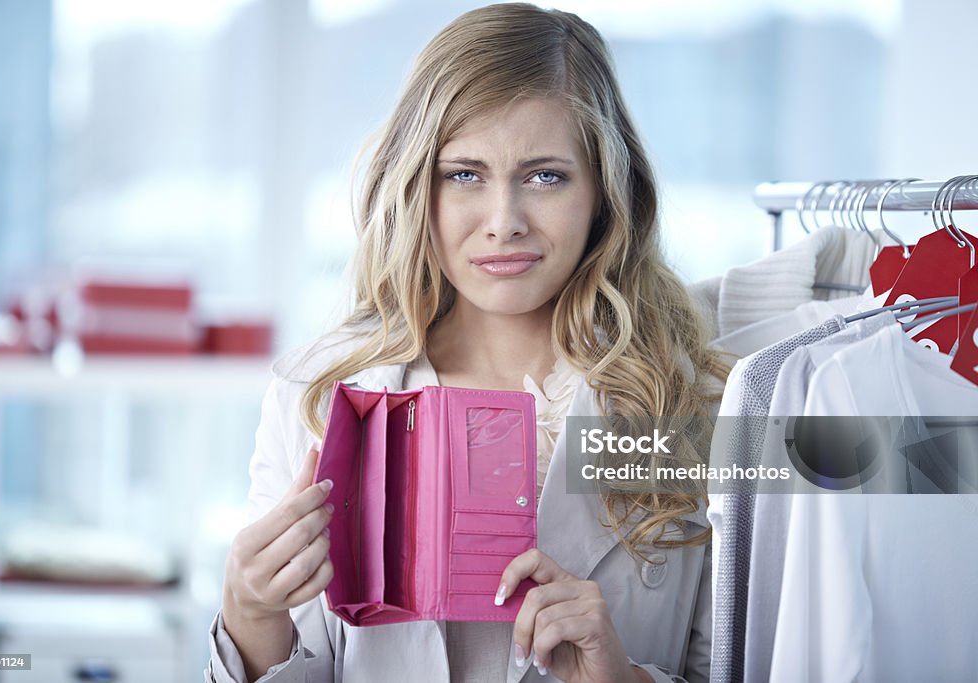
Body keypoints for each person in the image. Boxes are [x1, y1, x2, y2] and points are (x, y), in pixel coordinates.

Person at [206, 4, 728, 682]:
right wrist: (250, 615)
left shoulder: (694, 405)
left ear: (604, 190)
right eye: (464, 174)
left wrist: (621, 676)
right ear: (418, 186)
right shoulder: (312, 395)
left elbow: (738, 663)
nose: (504, 222)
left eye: (545, 176)